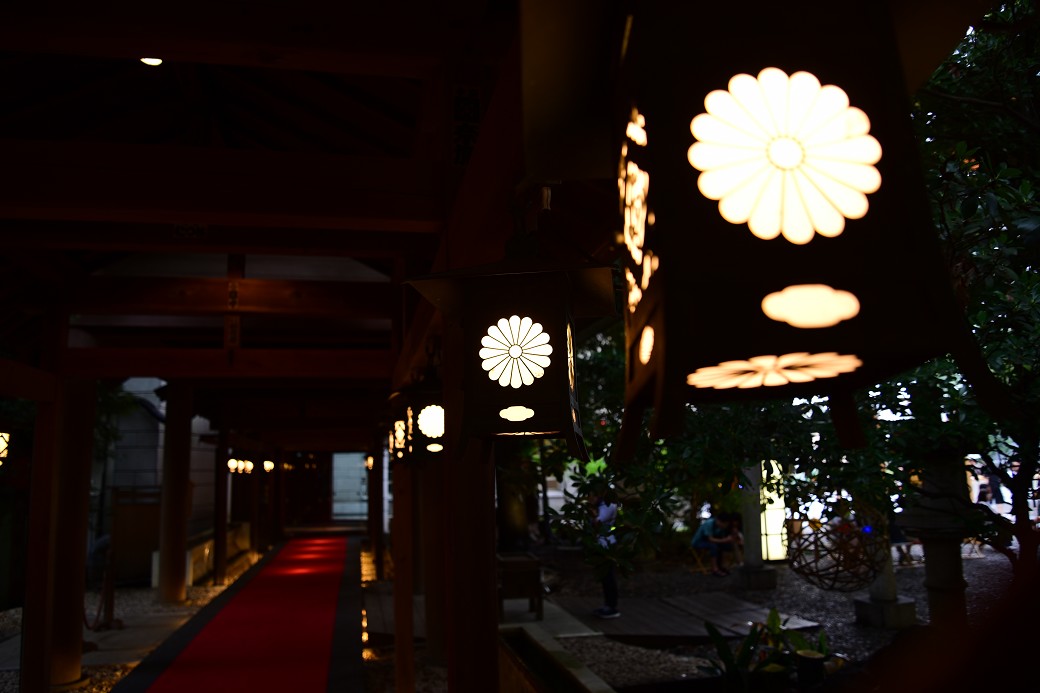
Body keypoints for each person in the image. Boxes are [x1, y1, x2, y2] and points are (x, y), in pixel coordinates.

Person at [588, 489, 621, 618]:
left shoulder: (608, 506)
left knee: (608, 576)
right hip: (602, 543)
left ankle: (611, 606)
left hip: (607, 544)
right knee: (605, 577)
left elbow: (598, 522)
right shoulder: (602, 506)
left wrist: (592, 514)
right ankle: (608, 604)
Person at [690, 511, 740, 576]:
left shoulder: (720, 528)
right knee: (713, 546)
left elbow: (720, 538)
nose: (725, 526)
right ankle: (715, 569)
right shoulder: (709, 524)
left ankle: (722, 566)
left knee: (725, 546)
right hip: (698, 542)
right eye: (724, 524)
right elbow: (710, 539)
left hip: (711, 542)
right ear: (719, 521)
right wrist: (725, 540)